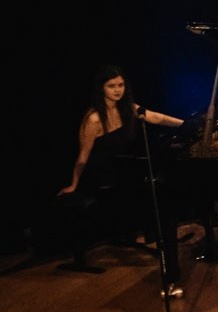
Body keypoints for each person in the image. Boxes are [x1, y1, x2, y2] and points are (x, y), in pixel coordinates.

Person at [58, 66, 185, 277]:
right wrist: (74, 184)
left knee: (154, 179)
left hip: (123, 169)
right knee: (146, 189)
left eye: (121, 85)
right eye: (111, 86)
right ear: (101, 89)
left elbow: (156, 117)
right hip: (102, 176)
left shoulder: (128, 109)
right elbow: (83, 156)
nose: (118, 90)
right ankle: (158, 236)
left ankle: (160, 236)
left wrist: (186, 124)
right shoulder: (94, 120)